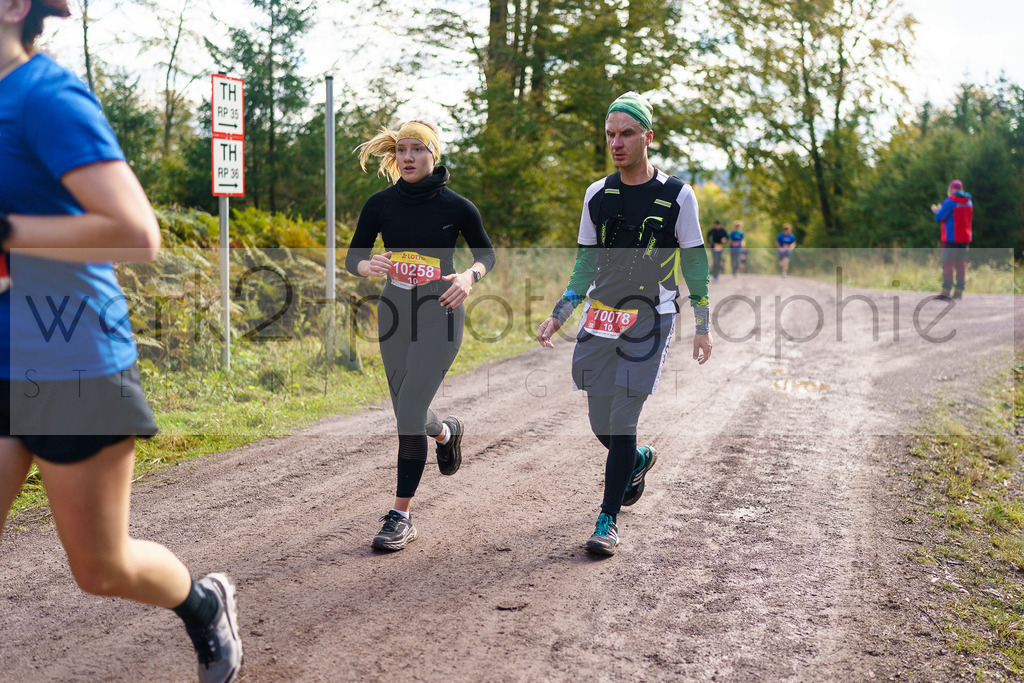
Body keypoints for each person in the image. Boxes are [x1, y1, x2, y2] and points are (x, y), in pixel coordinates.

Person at [0, 1, 242, 681]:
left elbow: (136, 234)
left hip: (70, 360)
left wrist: (6, 232)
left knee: (101, 568)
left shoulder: (42, 96)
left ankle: (202, 603)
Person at [536, 91, 713, 556]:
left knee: (623, 414)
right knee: (600, 418)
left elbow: (694, 263)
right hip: (601, 316)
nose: (617, 142)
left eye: (627, 133)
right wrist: (560, 312)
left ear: (647, 137)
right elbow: (583, 266)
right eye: (611, 134)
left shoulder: (678, 195)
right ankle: (636, 459)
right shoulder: (597, 195)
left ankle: (607, 520)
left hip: (651, 318)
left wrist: (703, 321)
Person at [346, 120, 496, 551]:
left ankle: (401, 515)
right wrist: (366, 266)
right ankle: (446, 433)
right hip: (394, 313)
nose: (408, 157)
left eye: (417, 149)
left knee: (410, 407)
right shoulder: (379, 204)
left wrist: (470, 276)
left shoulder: (458, 207)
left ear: (434, 155)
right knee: (409, 413)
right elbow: (353, 256)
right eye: (402, 150)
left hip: (441, 313)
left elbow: (486, 253)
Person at [931, 179, 973, 299]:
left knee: (948, 264)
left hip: (951, 238)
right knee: (961, 264)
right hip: (965, 238)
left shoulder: (950, 201)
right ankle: (959, 290)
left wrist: (937, 210)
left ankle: (946, 291)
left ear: (951, 189)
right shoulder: (969, 201)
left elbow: (939, 217)